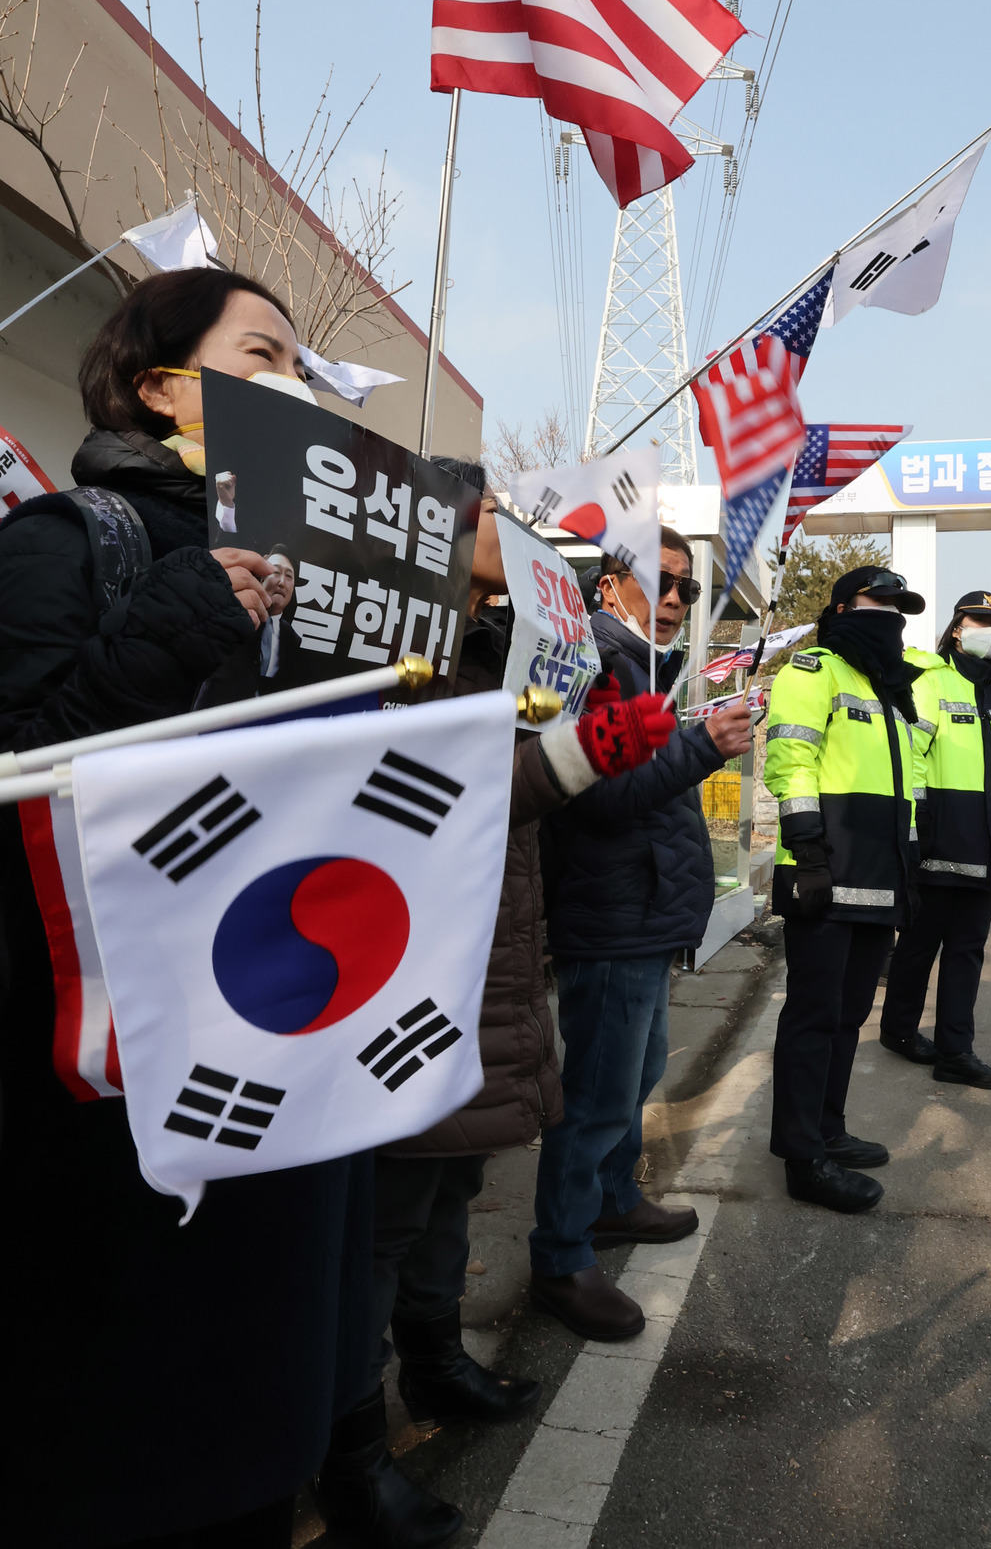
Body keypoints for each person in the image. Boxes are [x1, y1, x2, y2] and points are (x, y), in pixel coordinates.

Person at [0, 269, 372, 1548]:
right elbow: (20, 775)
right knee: (129, 1462)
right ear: (165, 391)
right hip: (113, 1114)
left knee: (251, 1456)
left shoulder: (331, 596)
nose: (294, 384)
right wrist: (181, 619)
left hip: (280, 1064)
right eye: (261, 355)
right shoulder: (68, 542)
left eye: (299, 365)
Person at [318, 471, 675, 1549]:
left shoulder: (493, 650)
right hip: (409, 964)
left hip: (495, 955)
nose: (509, 537)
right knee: (383, 1221)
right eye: (485, 516)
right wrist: (577, 757)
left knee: (453, 1181)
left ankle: (435, 1366)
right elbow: (424, 802)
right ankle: (349, 1451)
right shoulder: (381, 653)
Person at [531, 528, 754, 1339]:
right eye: (658, 582)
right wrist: (701, 745)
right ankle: (559, 1253)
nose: (672, 599)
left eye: (685, 589)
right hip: (610, 910)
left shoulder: (646, 667)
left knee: (637, 1071)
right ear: (606, 586)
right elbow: (597, 796)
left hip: (647, 908)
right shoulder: (591, 665)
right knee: (593, 1094)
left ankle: (615, 1198)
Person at [763, 565, 923, 1214]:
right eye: (874, 602)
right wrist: (808, 851)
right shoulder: (812, 671)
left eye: (897, 607)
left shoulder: (890, 688)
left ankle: (828, 1128)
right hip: (824, 874)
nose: (888, 614)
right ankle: (803, 1157)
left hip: (879, 880)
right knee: (813, 1015)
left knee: (851, 1014)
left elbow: (907, 787)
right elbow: (790, 758)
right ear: (838, 609)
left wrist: (911, 867)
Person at [879, 590, 991, 1089]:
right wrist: (914, 830)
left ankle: (955, 1052)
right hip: (940, 840)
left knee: (967, 950)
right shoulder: (931, 683)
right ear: (957, 628)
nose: (988, 630)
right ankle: (898, 1030)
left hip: (986, 844)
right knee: (919, 945)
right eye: (977, 620)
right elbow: (910, 758)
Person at [197, 544, 303, 705]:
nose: (282, 582)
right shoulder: (233, 614)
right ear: (261, 576)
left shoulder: (292, 639)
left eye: (289, 576)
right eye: (275, 572)